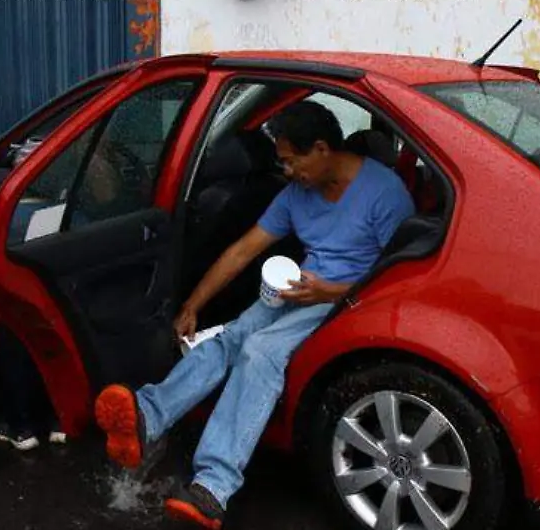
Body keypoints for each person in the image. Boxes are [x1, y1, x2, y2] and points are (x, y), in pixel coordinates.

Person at [92, 101, 415, 529]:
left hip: (352, 299)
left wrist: (331, 290)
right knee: (226, 338)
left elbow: (404, 275)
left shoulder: (385, 192)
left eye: (291, 160)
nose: (287, 170)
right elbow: (242, 251)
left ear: (320, 149)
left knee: (260, 350)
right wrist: (193, 305)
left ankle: (214, 487)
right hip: (300, 288)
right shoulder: (295, 195)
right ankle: (146, 416)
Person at [0, 145, 127, 450]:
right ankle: (55, 419)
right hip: (54, 285)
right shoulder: (66, 184)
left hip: (16, 286)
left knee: (15, 346)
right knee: (54, 346)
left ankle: (20, 424)